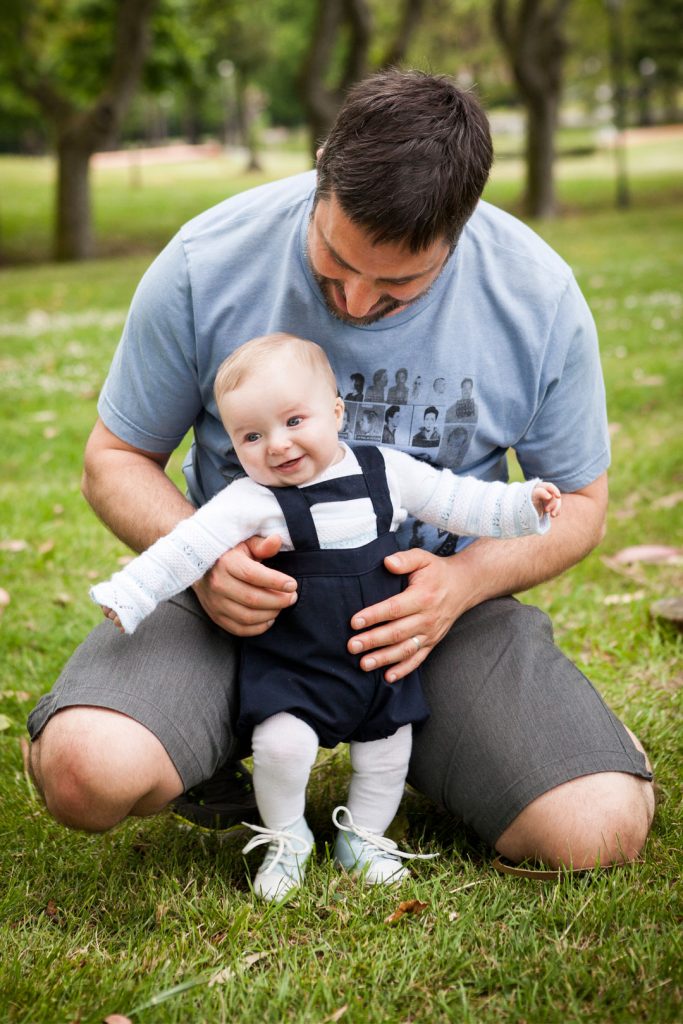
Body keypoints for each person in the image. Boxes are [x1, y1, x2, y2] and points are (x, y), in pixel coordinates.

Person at [27, 69, 654, 873]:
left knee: (593, 830)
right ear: (322, 168)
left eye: (396, 286)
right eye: (332, 264)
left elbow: (580, 505)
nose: (354, 305)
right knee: (89, 773)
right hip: (231, 610)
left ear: (460, 228)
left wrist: (458, 586)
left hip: (428, 623)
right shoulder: (206, 259)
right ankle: (167, 728)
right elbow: (113, 460)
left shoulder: (535, 295)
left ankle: (485, 749)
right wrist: (208, 559)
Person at [90, 333, 561, 899]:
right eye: (252, 436)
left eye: (294, 421)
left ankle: (362, 837)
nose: (278, 446)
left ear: (336, 412)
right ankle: (287, 837)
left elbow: (460, 502)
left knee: (389, 748)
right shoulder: (251, 501)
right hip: (296, 660)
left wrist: (523, 505)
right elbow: (185, 549)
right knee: (282, 747)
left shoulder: (384, 470)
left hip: (377, 657)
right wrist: (131, 593)